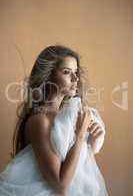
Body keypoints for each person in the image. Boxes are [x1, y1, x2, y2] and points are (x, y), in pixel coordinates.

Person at [0, 45, 108, 196]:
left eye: (76, 72)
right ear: (49, 75)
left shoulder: (69, 116)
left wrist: (96, 138)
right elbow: (60, 186)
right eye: (66, 72)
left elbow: (83, 164)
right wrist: (80, 135)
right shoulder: (40, 121)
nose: (75, 78)